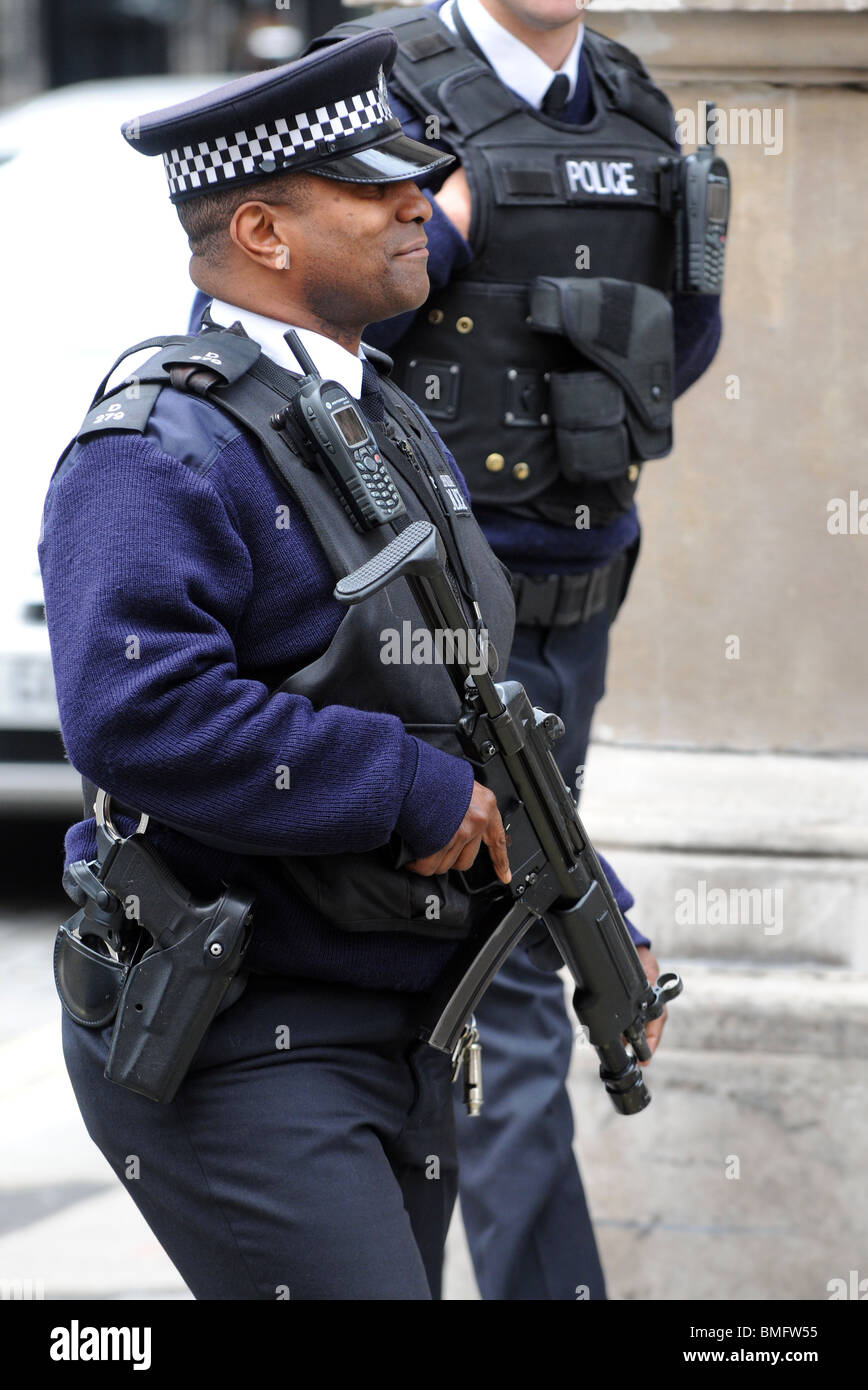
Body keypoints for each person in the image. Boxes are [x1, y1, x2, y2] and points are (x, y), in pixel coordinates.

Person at [39, 30, 526, 1301]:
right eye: (373, 188)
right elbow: (138, 712)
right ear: (262, 231)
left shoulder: (375, 415)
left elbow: (466, 708)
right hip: (240, 1035)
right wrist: (406, 790)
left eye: (411, 178)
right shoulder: (157, 444)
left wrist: (597, 900)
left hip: (394, 1023)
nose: (417, 201)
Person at [308, 0, 723, 1301]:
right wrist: (435, 234)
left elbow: (681, 342)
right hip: (421, 624)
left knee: (503, 962)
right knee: (519, 972)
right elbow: (299, 331)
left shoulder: (643, 106)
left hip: (581, 607)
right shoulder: (384, 86)